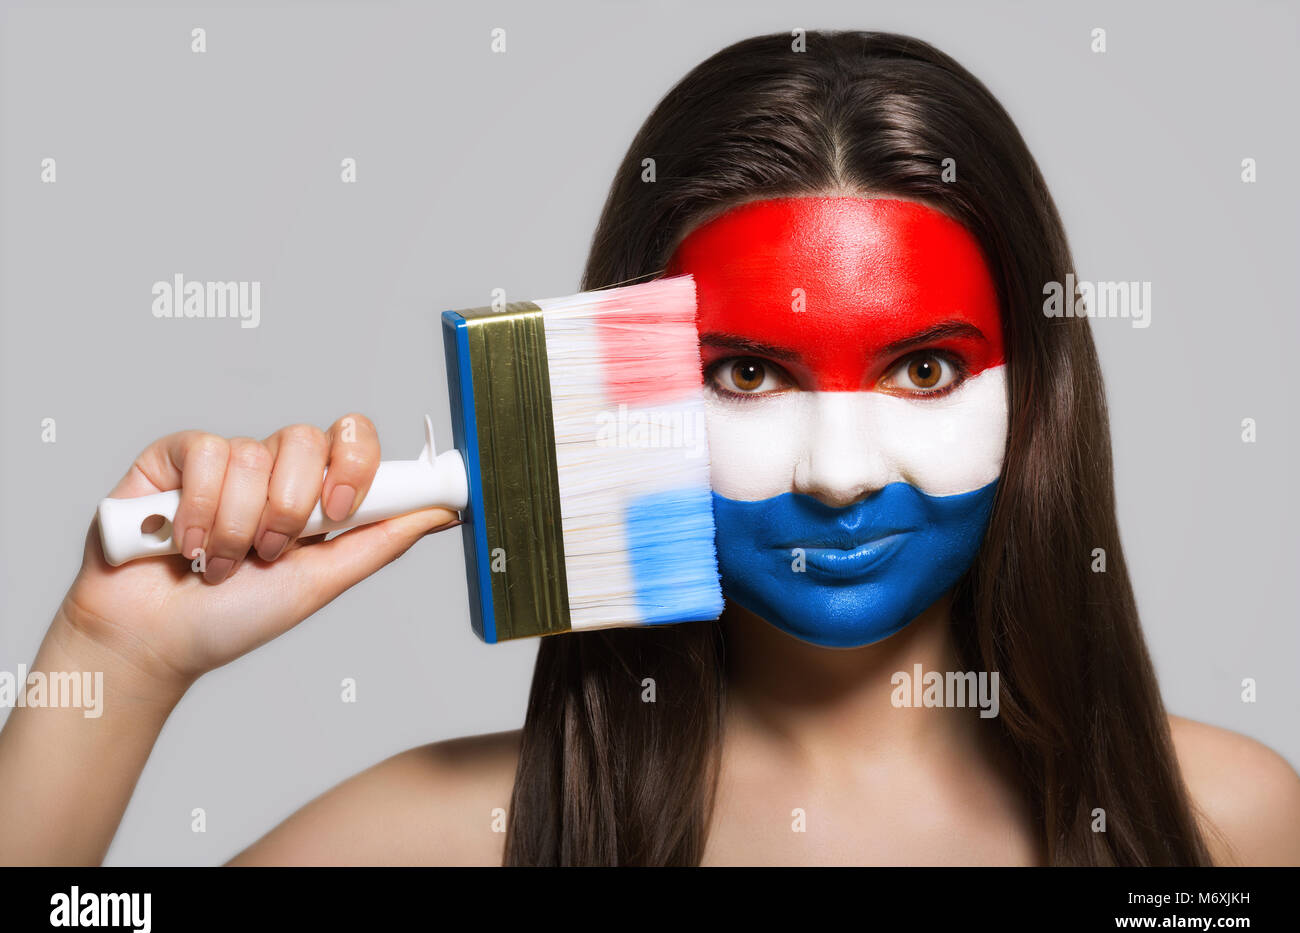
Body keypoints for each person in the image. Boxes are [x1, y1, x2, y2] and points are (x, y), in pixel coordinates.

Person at [2, 30, 1297, 867]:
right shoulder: (443, 843)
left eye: (922, 368)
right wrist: (116, 663)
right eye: (745, 373)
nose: (837, 473)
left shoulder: (1225, 829)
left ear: (1036, 402)